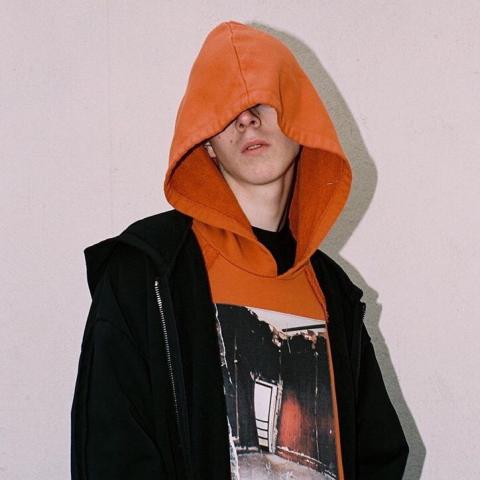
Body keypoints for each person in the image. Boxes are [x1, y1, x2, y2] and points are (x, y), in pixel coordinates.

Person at [71, 20, 408, 480]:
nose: (246, 118)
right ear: (206, 142)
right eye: (226, 108)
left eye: (262, 100)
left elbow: (379, 454)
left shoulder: (333, 291)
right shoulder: (148, 272)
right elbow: (111, 455)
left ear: (301, 119)